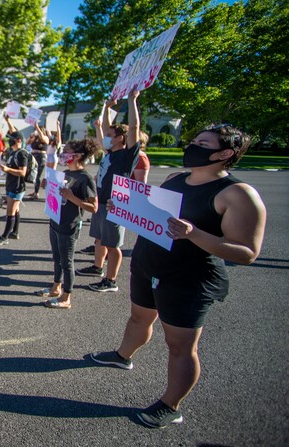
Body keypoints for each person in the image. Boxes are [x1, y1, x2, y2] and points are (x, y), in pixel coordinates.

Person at [89, 124, 266, 429]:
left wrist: (194, 233)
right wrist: (123, 206)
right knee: (138, 319)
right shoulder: (175, 179)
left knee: (180, 346)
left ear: (225, 153)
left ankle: (170, 405)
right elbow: (151, 215)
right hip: (149, 265)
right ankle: (122, 355)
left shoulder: (237, 194)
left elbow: (246, 252)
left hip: (189, 278)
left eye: (202, 142)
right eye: (194, 140)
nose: (193, 145)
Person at [75, 90, 142, 292]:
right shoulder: (110, 153)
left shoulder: (127, 155)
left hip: (115, 204)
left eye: (111, 136)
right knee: (99, 239)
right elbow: (104, 127)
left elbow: (135, 127)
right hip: (101, 203)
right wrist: (107, 108)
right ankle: (98, 268)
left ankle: (110, 281)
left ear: (122, 138)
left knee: (113, 245)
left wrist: (132, 100)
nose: (106, 138)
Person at [37, 138, 98, 308]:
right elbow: (57, 192)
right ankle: (56, 287)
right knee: (57, 258)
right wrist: (47, 185)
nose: (63, 155)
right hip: (56, 221)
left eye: (67, 152)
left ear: (78, 156)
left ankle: (66, 297)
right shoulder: (65, 173)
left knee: (67, 261)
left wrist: (72, 197)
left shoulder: (85, 178)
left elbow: (94, 207)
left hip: (69, 225)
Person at [0, 133, 27, 246]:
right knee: (15, 210)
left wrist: (7, 169)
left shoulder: (22, 154)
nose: (9, 141)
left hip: (17, 186)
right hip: (11, 184)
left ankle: (4, 237)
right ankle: (14, 232)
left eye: (11, 139)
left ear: (18, 140)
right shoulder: (13, 153)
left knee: (10, 211)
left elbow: (23, 172)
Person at [27, 124, 50, 200]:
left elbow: (42, 137)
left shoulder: (45, 138)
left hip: (41, 157)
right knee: (33, 174)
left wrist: (37, 127)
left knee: (38, 176)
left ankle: (36, 193)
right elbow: (27, 142)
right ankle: (34, 191)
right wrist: (31, 136)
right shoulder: (35, 138)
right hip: (34, 156)